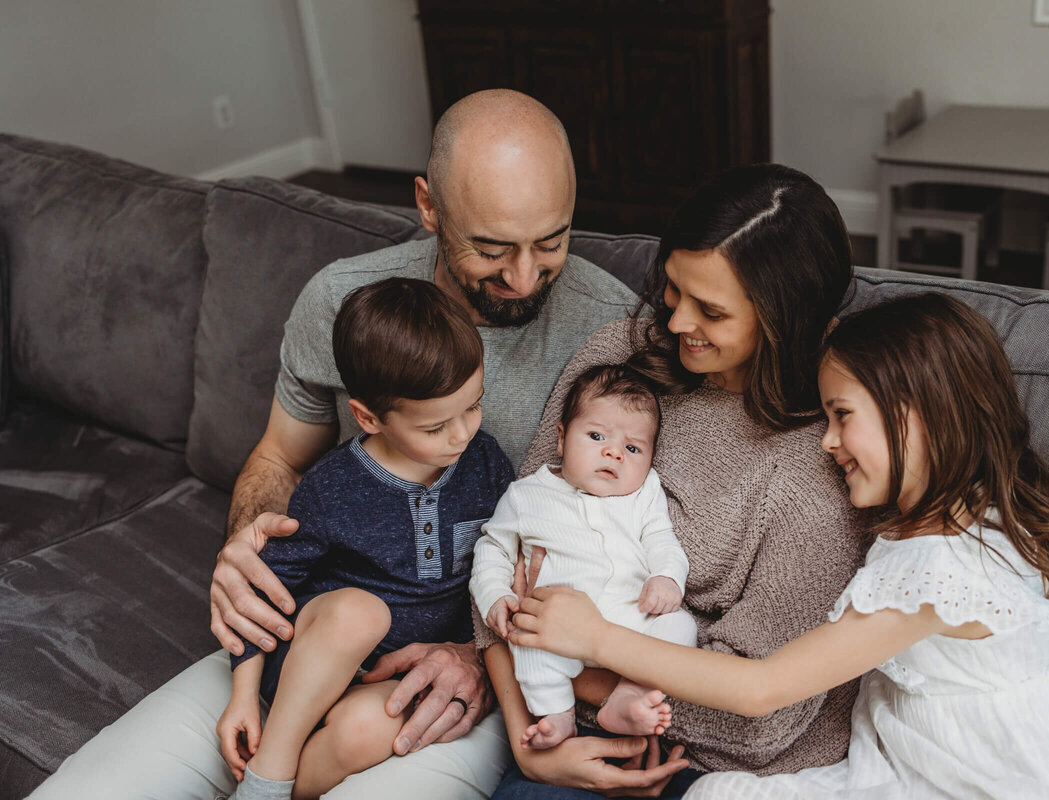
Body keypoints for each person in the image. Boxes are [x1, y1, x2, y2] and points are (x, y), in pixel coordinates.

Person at [31, 89, 638, 800]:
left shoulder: (615, 334)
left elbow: (618, 529)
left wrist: (478, 653)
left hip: (462, 680)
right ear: (429, 206)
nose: (525, 276)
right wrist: (248, 562)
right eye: (493, 247)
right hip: (317, 634)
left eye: (553, 241)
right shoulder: (342, 301)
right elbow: (279, 459)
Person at [510, 292, 1049, 799]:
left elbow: (762, 690)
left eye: (843, 415)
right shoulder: (969, 519)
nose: (826, 440)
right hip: (936, 758)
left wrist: (594, 638)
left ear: (917, 412)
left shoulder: (937, 570)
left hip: (997, 780)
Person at [482, 163, 865, 799]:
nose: (677, 320)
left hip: (695, 760)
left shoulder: (819, 472)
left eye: (710, 310)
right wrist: (531, 739)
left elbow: (754, 720)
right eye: (673, 288)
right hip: (544, 717)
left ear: (782, 318)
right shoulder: (618, 359)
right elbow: (513, 543)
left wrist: (570, 668)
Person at [217, 278, 514, 799]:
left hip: (395, 675)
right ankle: (269, 772)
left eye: (474, 406)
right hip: (311, 659)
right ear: (368, 417)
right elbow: (261, 591)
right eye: (435, 426)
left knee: (371, 732)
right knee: (360, 612)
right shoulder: (332, 487)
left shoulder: (486, 464)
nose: (463, 434)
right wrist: (242, 696)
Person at [471, 364, 696, 751]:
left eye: (633, 448)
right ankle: (556, 716)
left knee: (680, 627)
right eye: (596, 436)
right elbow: (492, 549)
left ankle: (629, 693)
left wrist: (667, 578)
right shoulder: (526, 495)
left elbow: (663, 538)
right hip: (554, 624)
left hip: (633, 620)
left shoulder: (643, 494)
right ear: (560, 439)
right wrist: (495, 596)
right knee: (526, 638)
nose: (614, 452)